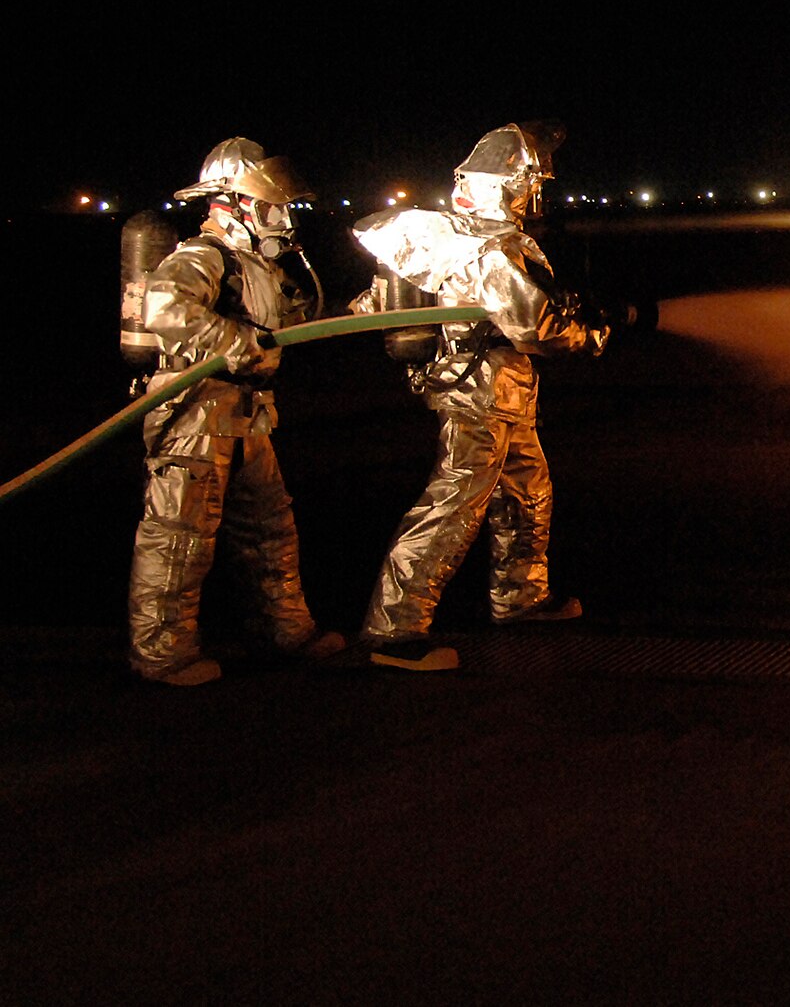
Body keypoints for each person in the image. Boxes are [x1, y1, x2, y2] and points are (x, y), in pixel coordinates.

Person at [349, 122, 612, 671]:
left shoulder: (447, 234)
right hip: (480, 393)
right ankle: (393, 630)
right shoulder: (488, 249)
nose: (534, 195)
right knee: (455, 502)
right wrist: (589, 336)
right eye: (529, 184)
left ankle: (519, 598)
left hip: (500, 391)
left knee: (527, 490)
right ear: (508, 186)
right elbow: (534, 328)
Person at [127, 138, 346, 686]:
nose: (284, 218)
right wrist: (232, 340)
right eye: (275, 206)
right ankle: (161, 653)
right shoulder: (203, 256)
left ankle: (285, 629)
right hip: (195, 409)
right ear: (238, 203)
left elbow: (298, 319)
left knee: (270, 526)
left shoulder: (257, 266)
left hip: (246, 410)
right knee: (179, 533)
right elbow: (165, 305)